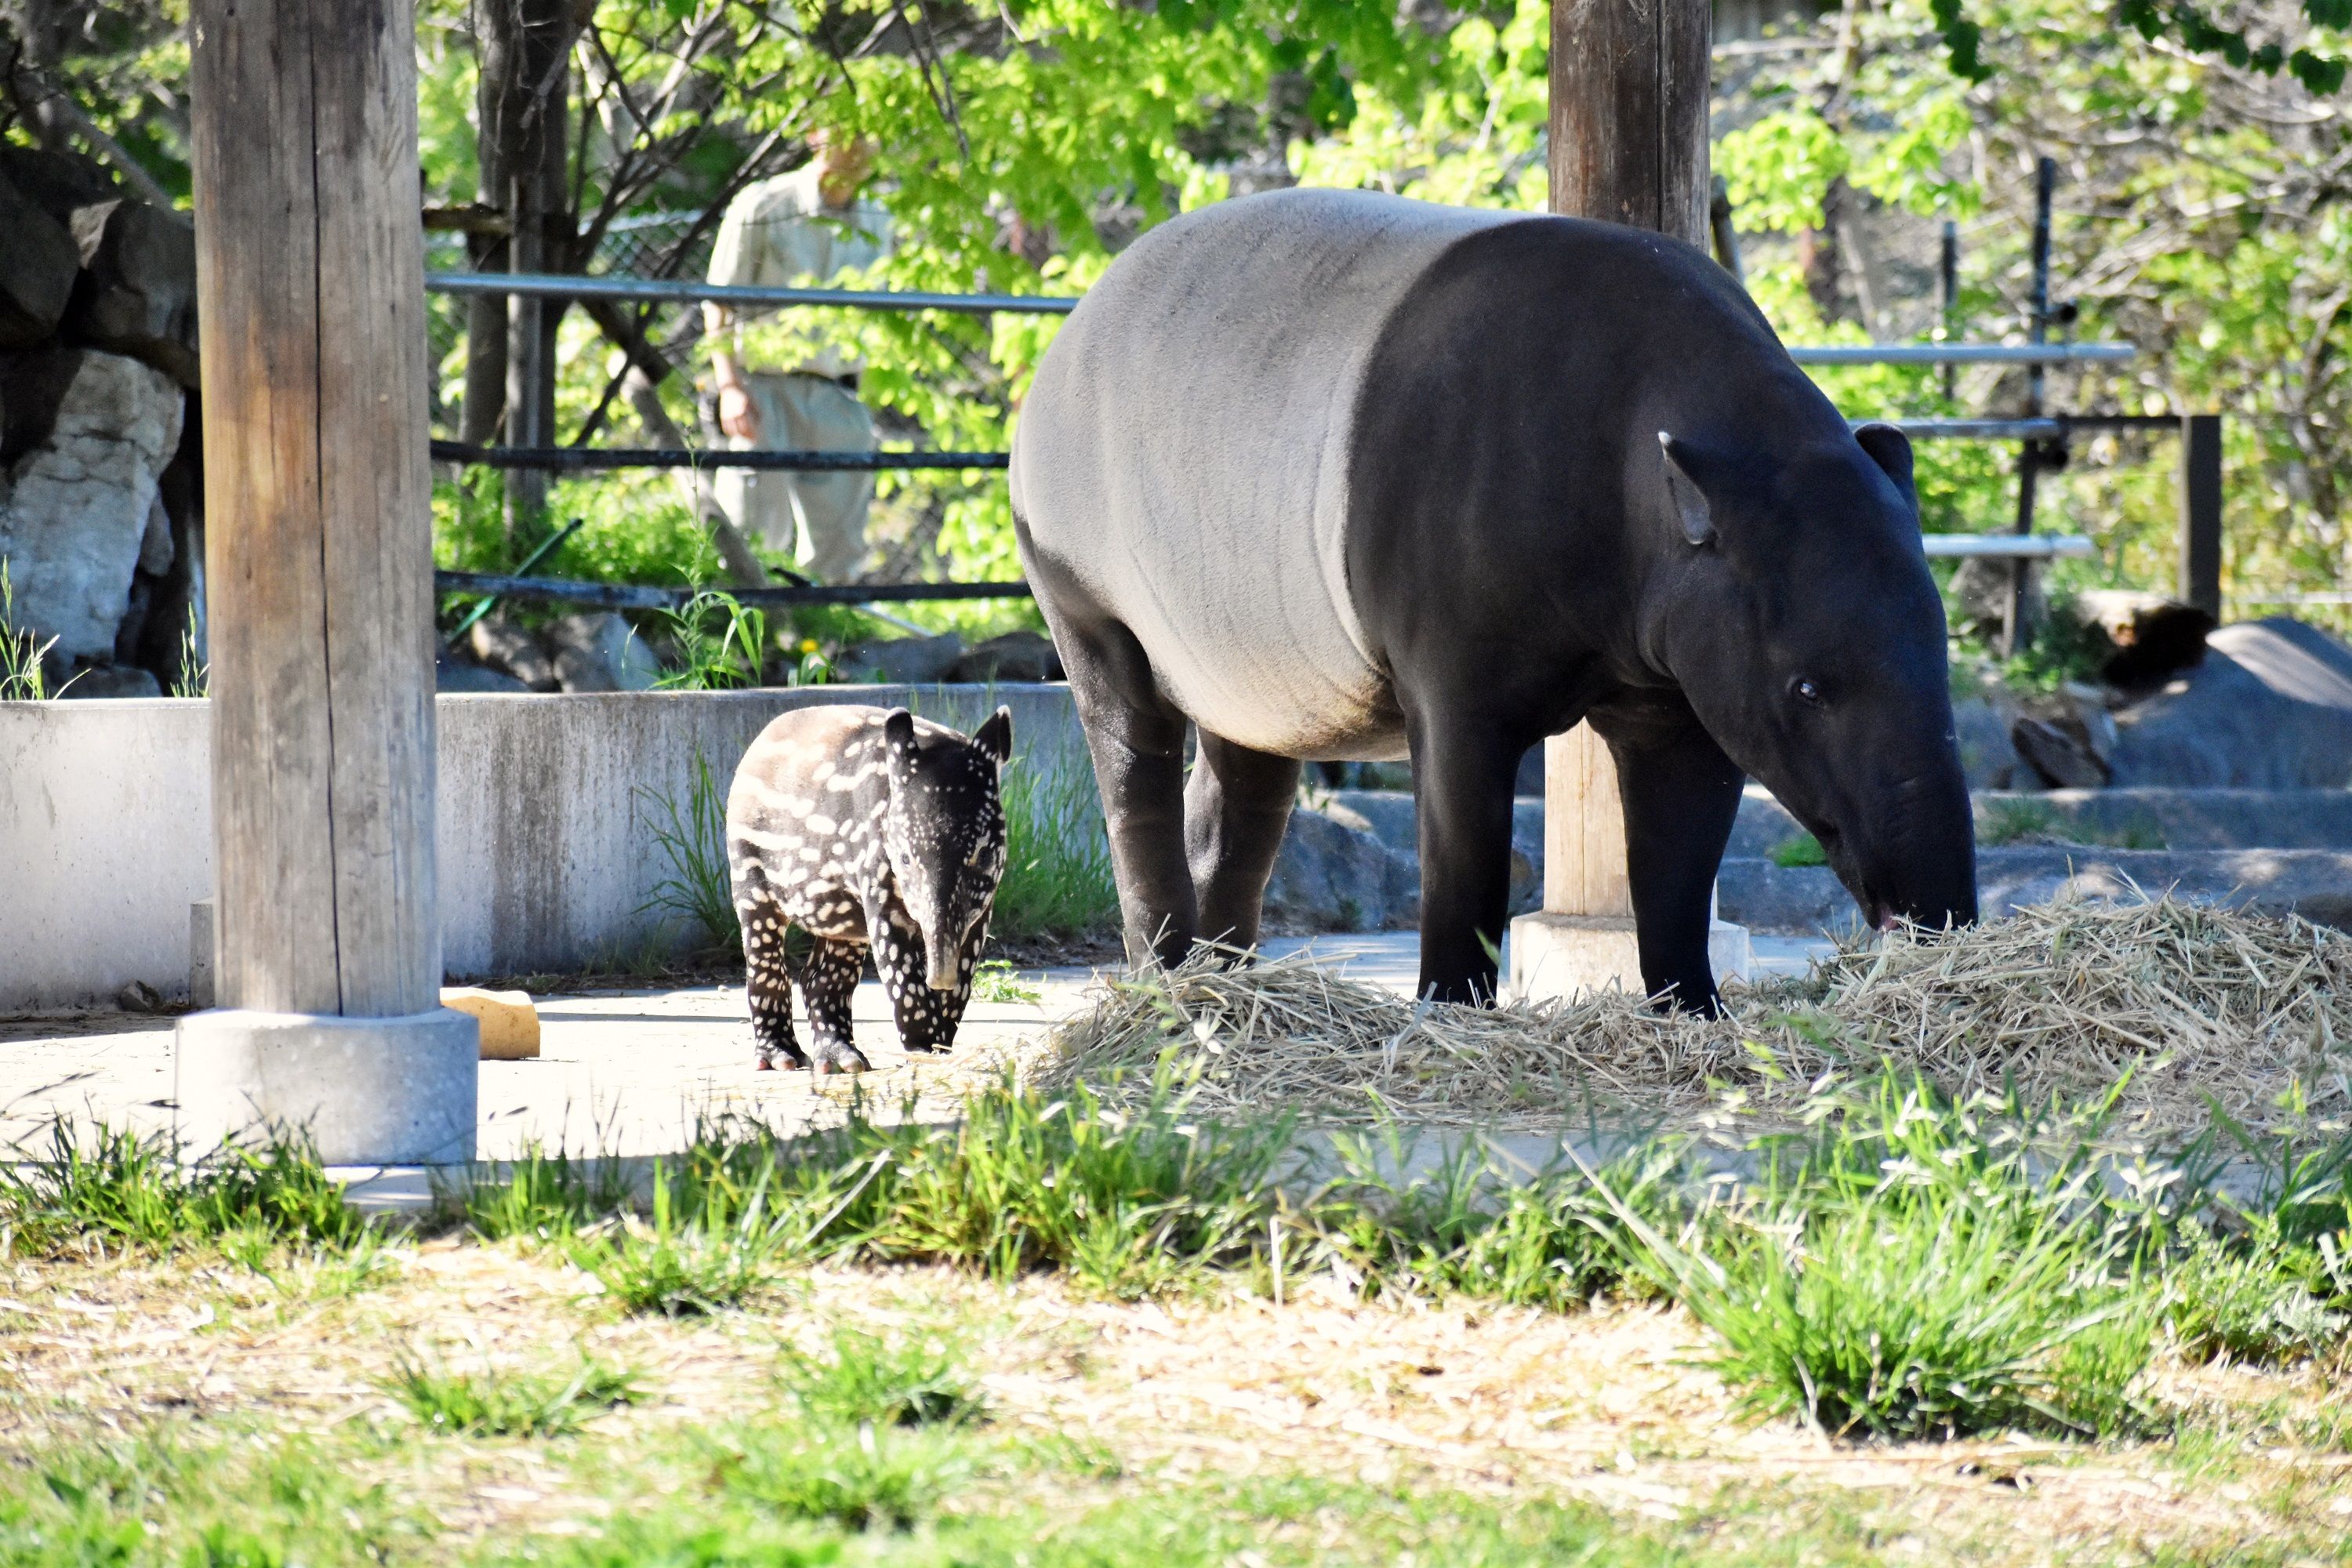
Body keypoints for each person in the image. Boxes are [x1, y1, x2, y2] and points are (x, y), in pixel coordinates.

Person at [702, 132, 891, 584]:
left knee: (841, 546)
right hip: (760, 387)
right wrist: (729, 388)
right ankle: (748, 642)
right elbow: (718, 302)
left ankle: (825, 642)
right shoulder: (763, 205)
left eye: (870, 133)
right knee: (750, 533)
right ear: (816, 135)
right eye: (848, 130)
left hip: (838, 392)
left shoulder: (879, 218)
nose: (860, 145)